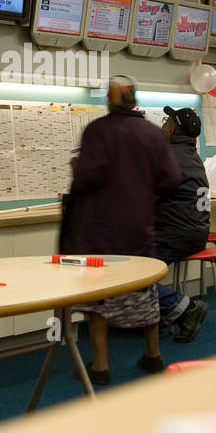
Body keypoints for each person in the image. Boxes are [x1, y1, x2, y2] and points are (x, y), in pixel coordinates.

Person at [65, 76, 181, 384]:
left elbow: (85, 180)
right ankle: (154, 355)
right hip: (139, 228)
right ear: (134, 100)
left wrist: (77, 167)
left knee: (98, 297)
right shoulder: (153, 134)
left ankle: (100, 365)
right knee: (145, 288)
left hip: (99, 231)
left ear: (109, 100)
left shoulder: (97, 131)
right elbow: (171, 179)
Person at [154, 106, 210, 343]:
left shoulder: (168, 158)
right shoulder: (191, 155)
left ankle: (184, 307)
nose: (163, 124)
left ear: (172, 129)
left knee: (128, 272)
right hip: (195, 231)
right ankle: (156, 314)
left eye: (167, 120)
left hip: (175, 236)